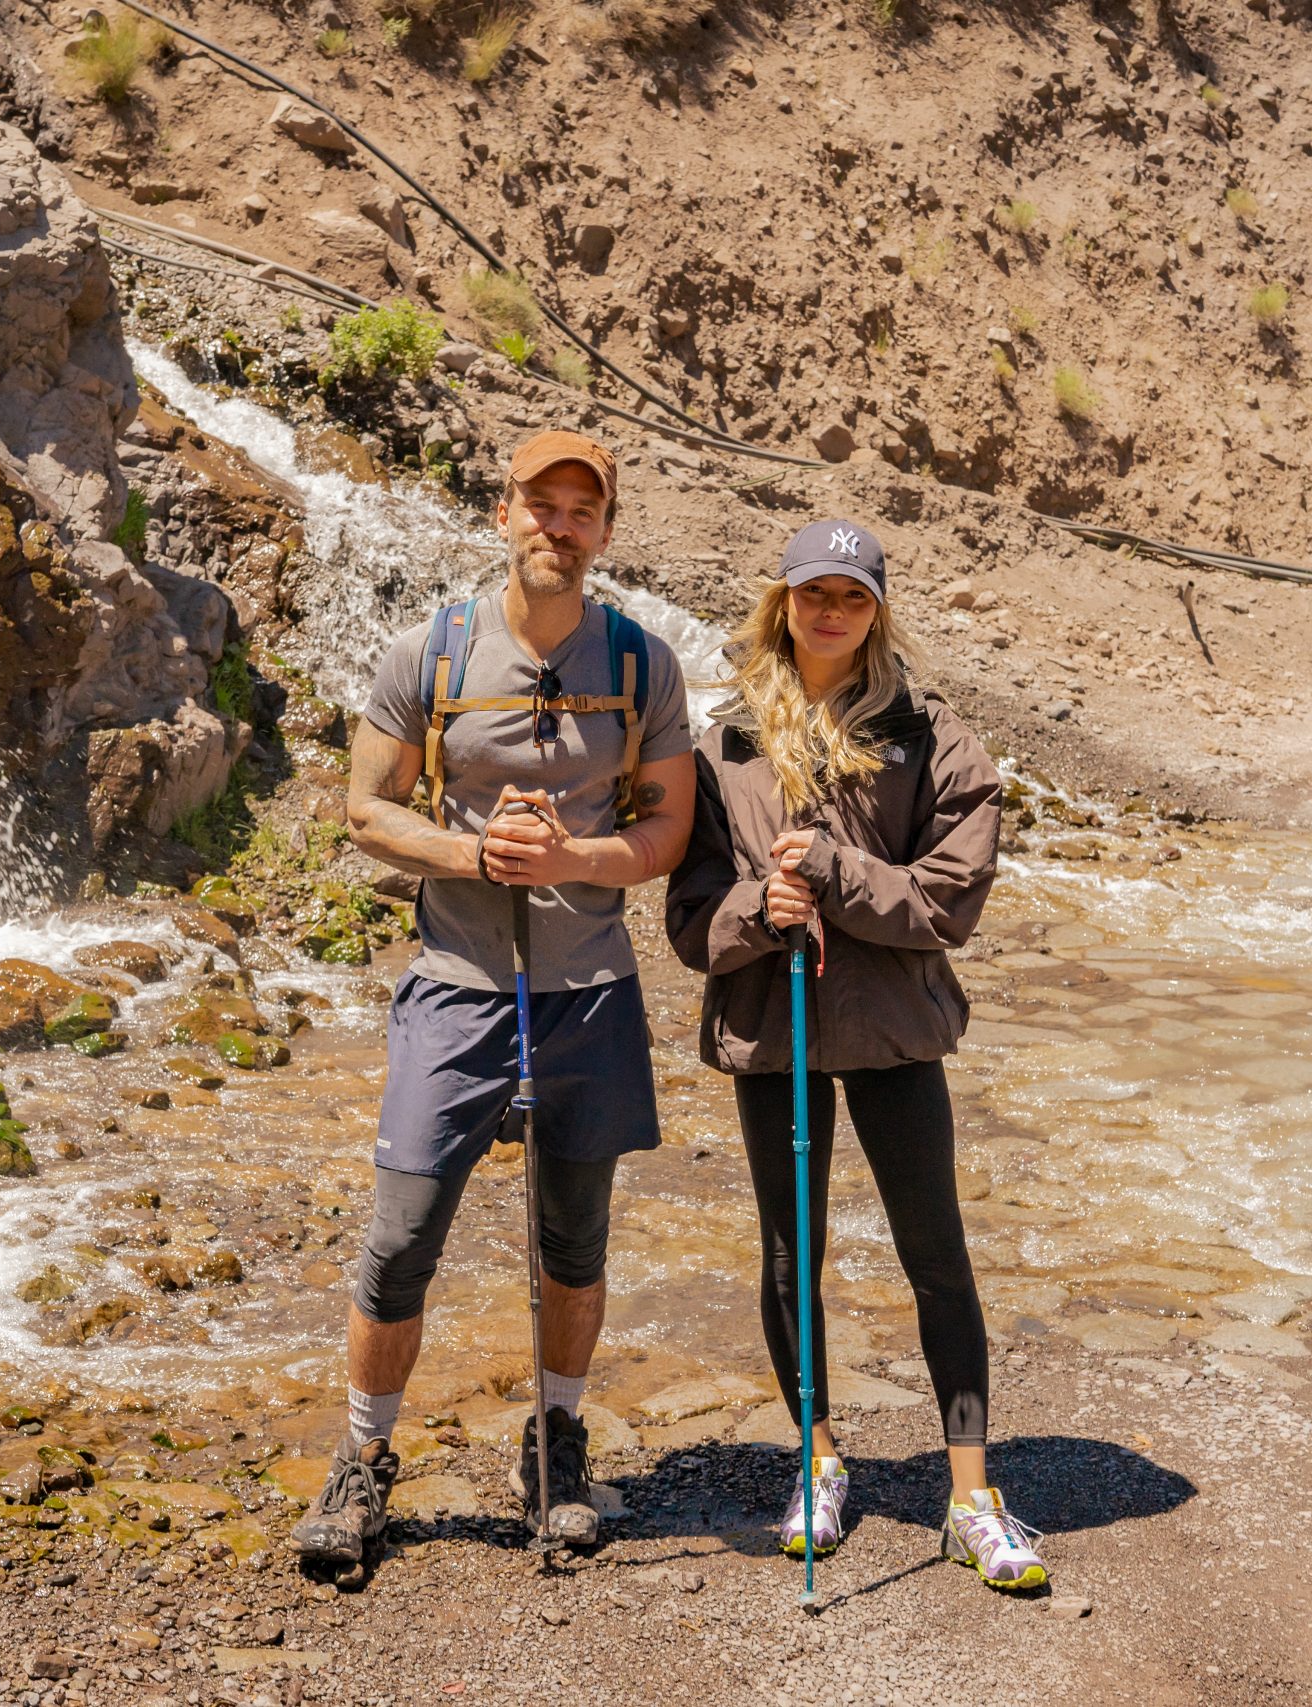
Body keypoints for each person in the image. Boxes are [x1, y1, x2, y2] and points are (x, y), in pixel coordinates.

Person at [291, 430, 696, 1572]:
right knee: (399, 1239)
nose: (557, 526)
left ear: (605, 531)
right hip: (456, 989)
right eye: (539, 504)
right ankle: (364, 1460)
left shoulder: (644, 665)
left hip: (591, 994)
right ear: (502, 513)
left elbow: (665, 832)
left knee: (574, 1244)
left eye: (582, 510)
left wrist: (573, 857)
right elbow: (367, 812)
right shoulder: (429, 651)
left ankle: (558, 1445)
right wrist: (477, 860)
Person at [665, 518, 1047, 1592]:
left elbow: (949, 901)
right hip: (771, 1026)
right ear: (780, 603)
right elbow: (691, 921)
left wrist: (834, 869)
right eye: (812, 593)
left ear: (877, 610)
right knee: (790, 1258)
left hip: (892, 1030)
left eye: (853, 596)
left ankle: (971, 1494)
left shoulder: (929, 734)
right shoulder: (723, 743)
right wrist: (761, 907)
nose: (831, 611)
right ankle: (817, 1461)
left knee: (936, 1253)